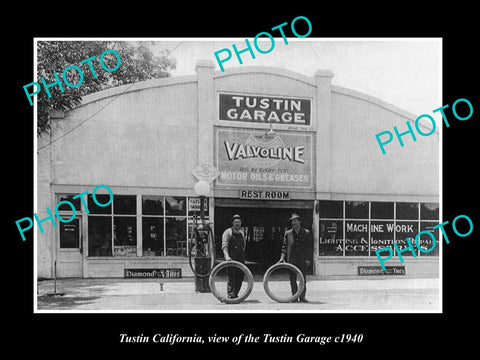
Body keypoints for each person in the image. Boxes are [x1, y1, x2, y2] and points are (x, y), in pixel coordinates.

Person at [278, 213, 312, 302]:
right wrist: (282, 257)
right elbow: (284, 247)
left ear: (300, 222)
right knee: (292, 279)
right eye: (292, 221)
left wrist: (308, 259)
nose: (294, 223)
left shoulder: (306, 232)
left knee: (303, 280)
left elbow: (309, 248)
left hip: (303, 260)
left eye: (295, 221)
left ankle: (302, 297)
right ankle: (294, 297)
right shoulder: (288, 233)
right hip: (291, 260)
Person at [222, 214, 246, 299]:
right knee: (232, 277)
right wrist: (227, 256)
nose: (237, 224)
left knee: (240, 277)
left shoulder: (242, 233)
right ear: (232, 223)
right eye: (236, 222)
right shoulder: (228, 232)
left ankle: (236, 294)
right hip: (231, 258)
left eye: (239, 222)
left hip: (240, 258)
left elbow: (244, 246)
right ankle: (231, 294)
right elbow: (225, 246)